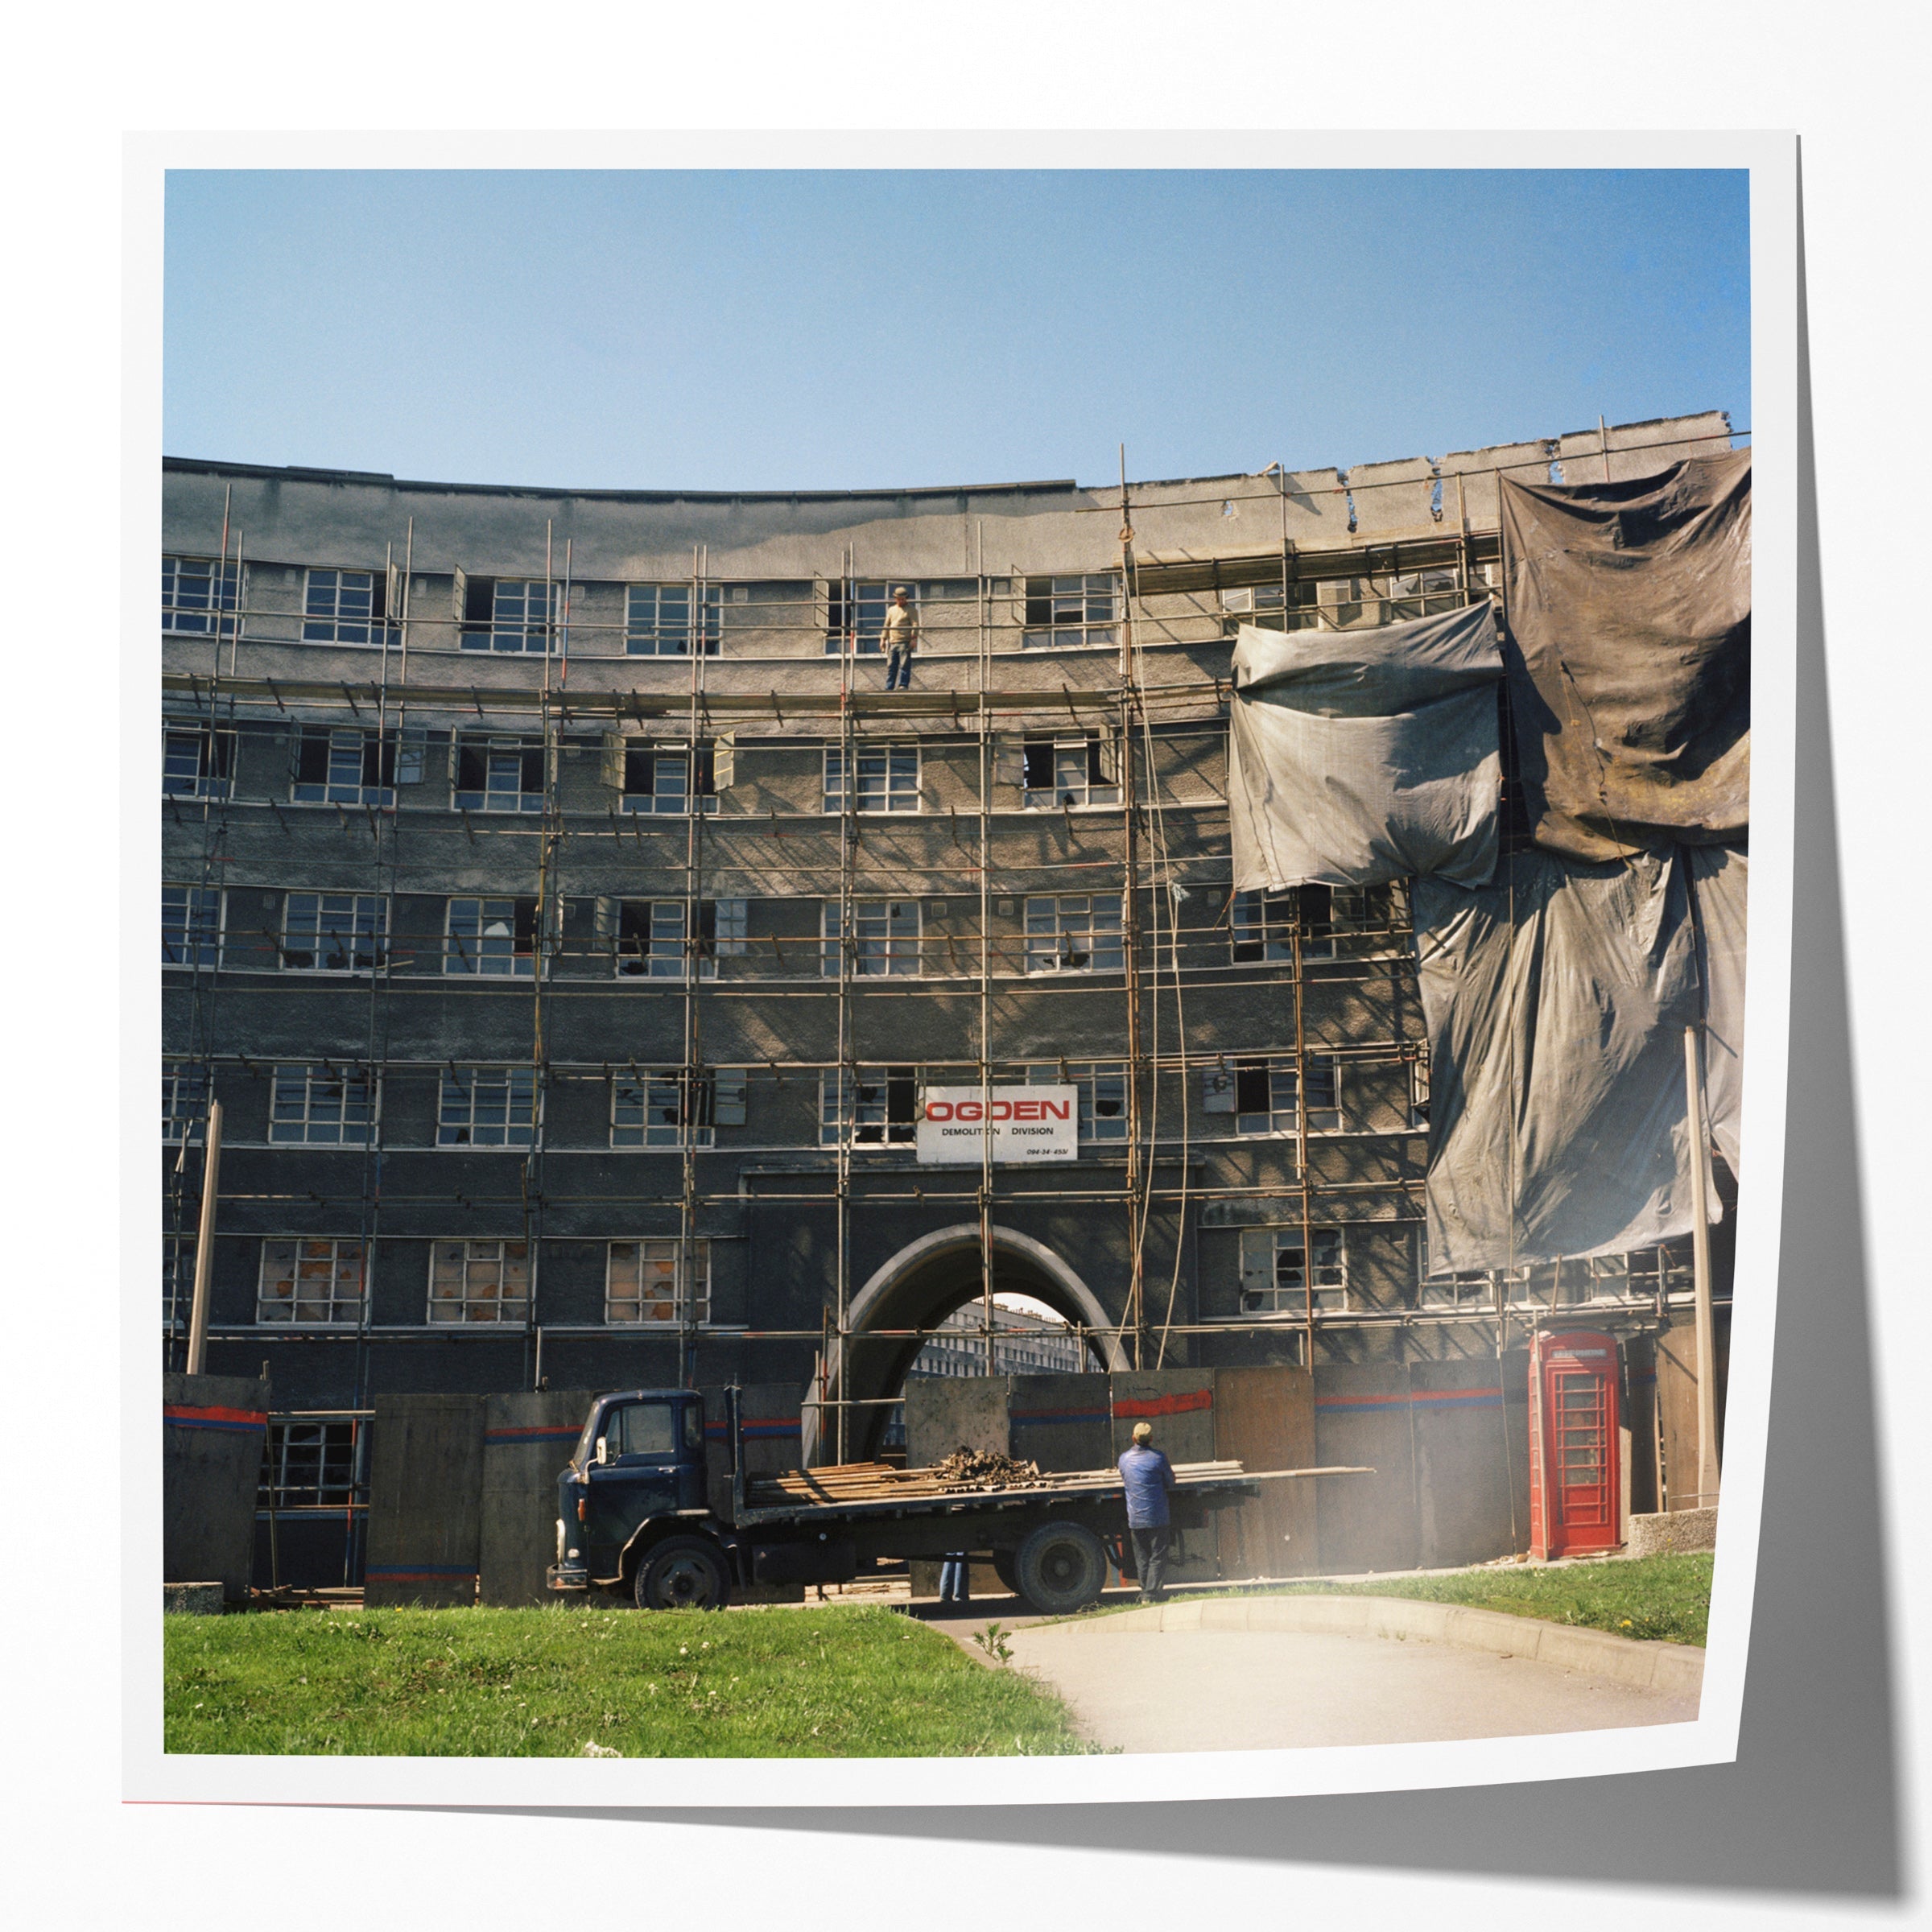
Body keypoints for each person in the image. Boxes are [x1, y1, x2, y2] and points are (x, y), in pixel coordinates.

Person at [1117, 1419, 1177, 1602]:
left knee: (1142, 1557)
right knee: (1157, 1556)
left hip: (1135, 1518)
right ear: (1151, 1439)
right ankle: (1150, 1595)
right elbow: (1171, 1482)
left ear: (1133, 1438)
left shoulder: (1124, 1459)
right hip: (1157, 1516)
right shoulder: (1158, 1458)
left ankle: (1145, 1593)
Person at [881, 585, 919, 689]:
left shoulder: (911, 610)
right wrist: (883, 639)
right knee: (891, 666)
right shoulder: (891, 610)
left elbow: (915, 625)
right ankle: (889, 687)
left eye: (903, 599)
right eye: (899, 599)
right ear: (895, 598)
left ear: (906, 598)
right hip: (893, 642)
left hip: (904, 642)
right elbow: (887, 625)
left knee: (904, 665)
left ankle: (903, 685)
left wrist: (914, 639)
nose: (901, 601)